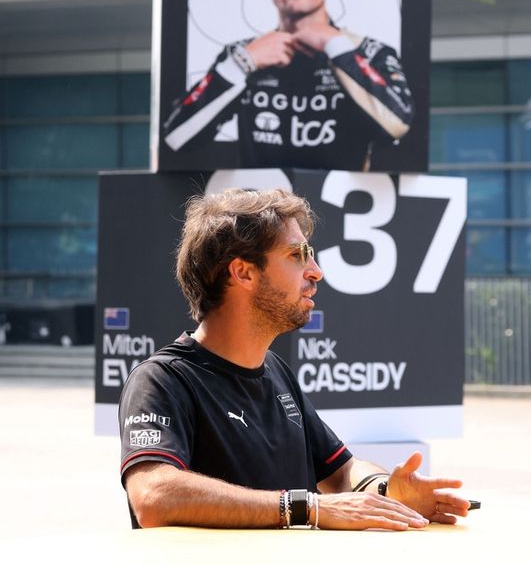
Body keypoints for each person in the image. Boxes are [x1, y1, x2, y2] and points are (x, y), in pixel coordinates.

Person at [118, 188, 469, 529]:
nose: (316, 271)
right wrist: (306, 507)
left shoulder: (275, 371)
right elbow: (153, 495)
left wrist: (386, 489)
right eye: (297, 255)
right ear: (243, 272)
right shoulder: (162, 379)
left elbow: (341, 471)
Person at [162, 0, 414, 171]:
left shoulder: (369, 52)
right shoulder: (243, 54)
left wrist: (336, 46)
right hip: (262, 210)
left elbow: (397, 124)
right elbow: (177, 136)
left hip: (341, 208)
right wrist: (242, 64)